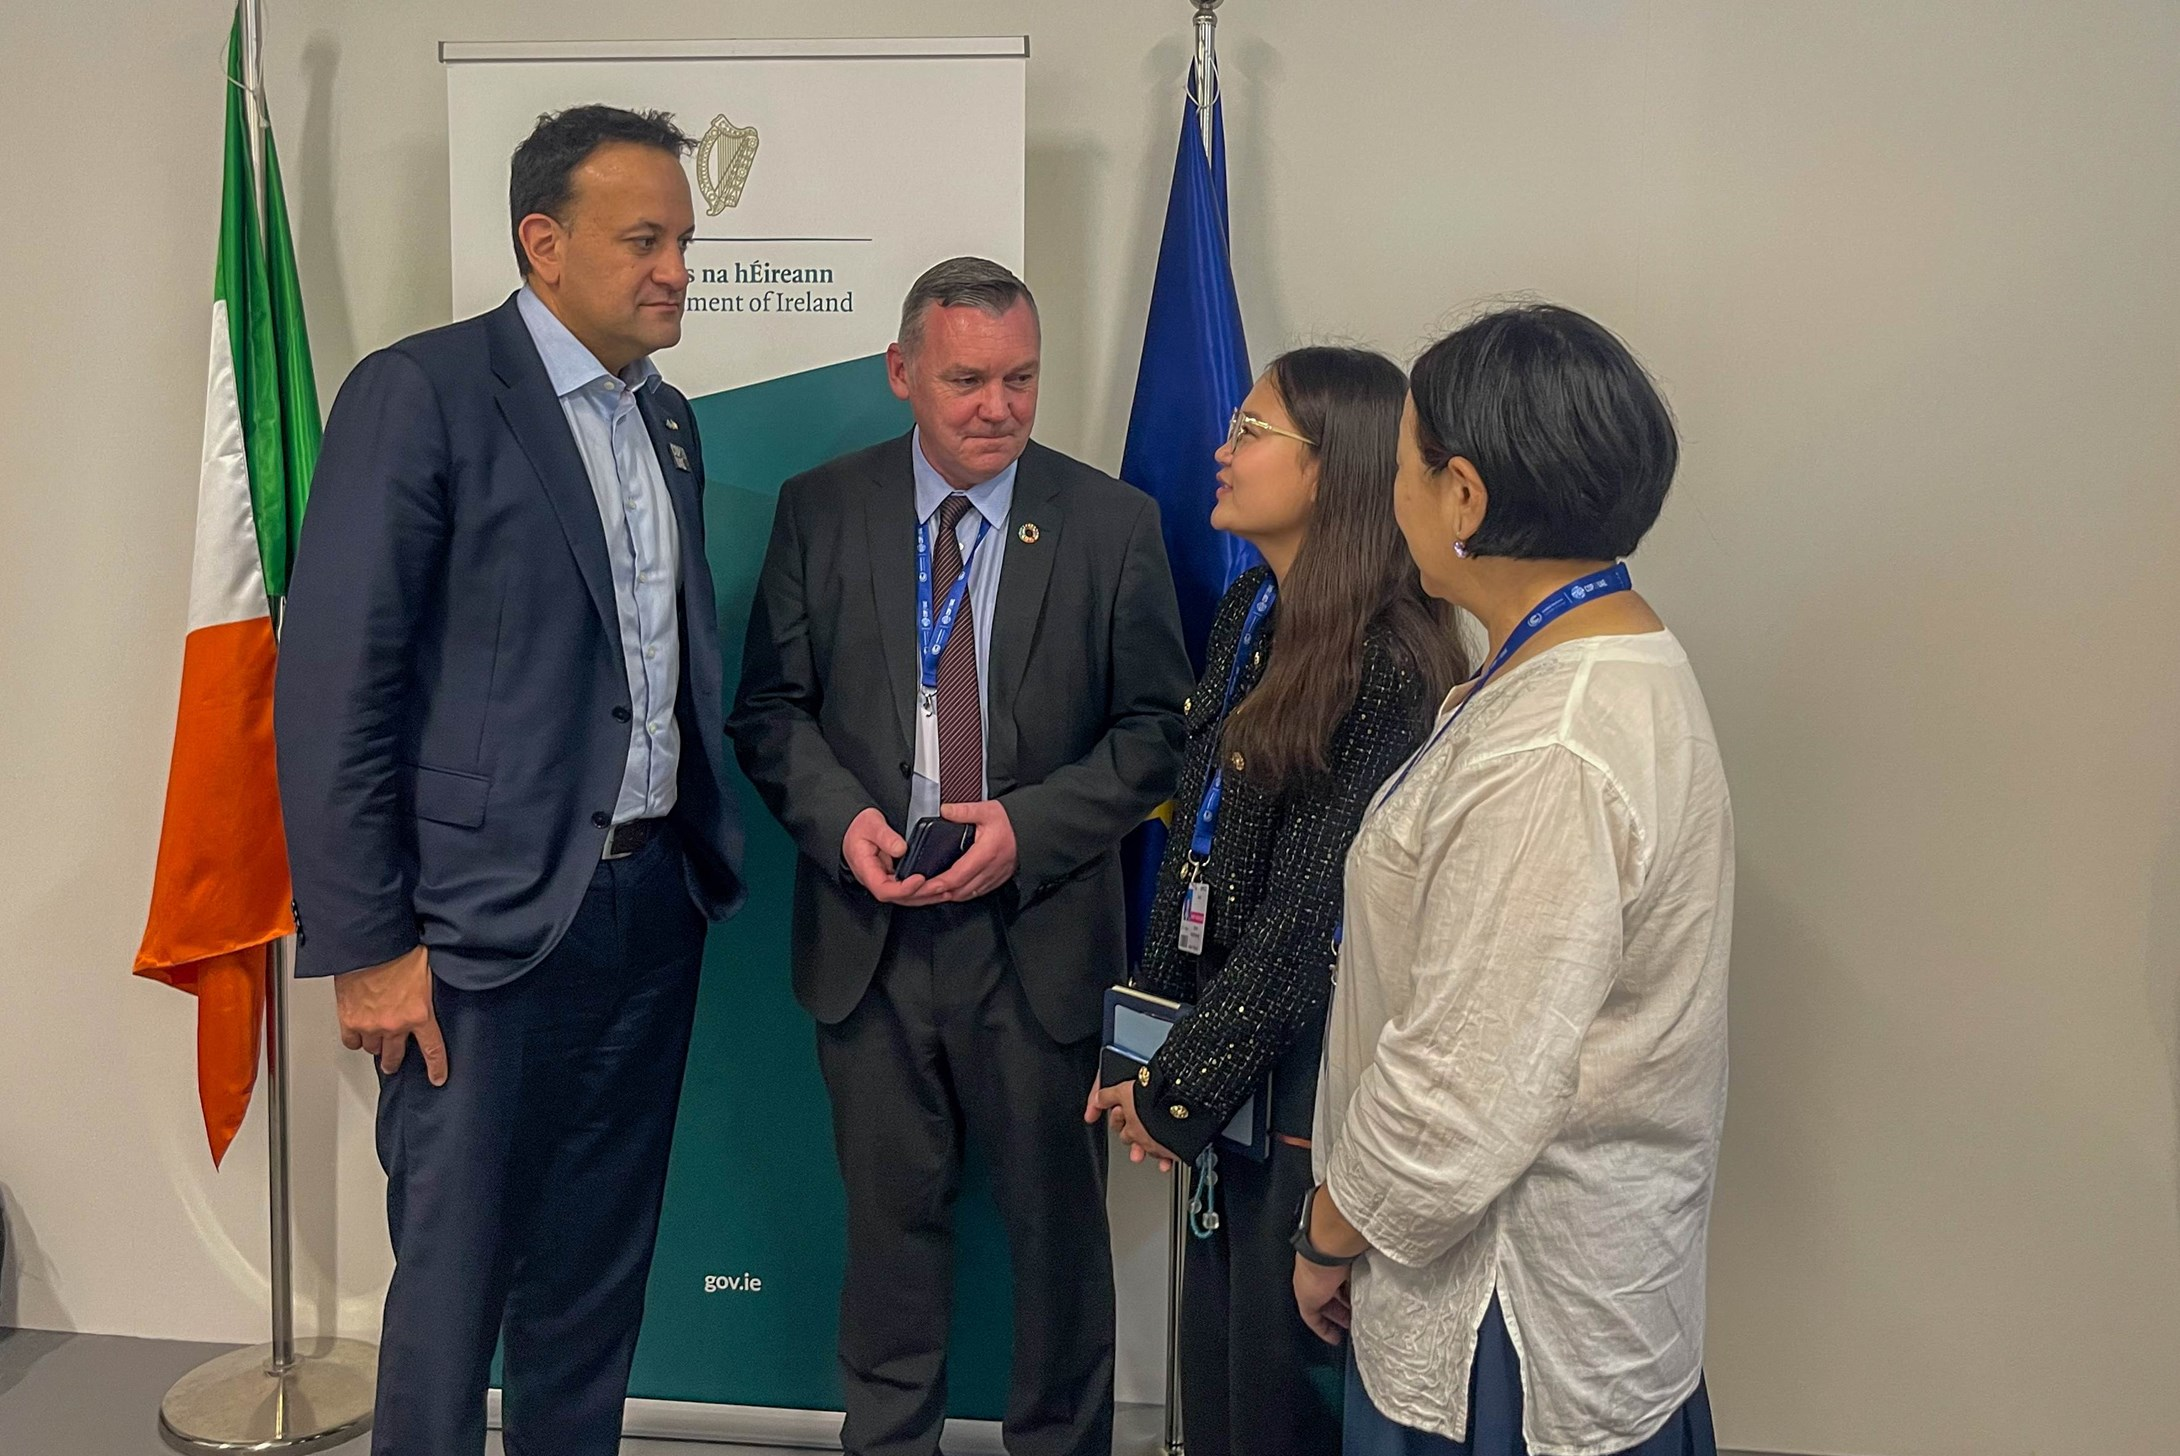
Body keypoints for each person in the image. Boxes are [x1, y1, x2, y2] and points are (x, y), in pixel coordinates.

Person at [274, 107, 745, 1455]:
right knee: (454, 1287)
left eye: (684, 243)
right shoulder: (419, 393)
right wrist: (370, 950)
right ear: (544, 244)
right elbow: (333, 691)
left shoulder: (671, 425)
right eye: (642, 239)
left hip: (648, 910)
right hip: (478, 938)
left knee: (594, 1283)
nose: (674, 270)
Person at [729, 257, 1192, 1456]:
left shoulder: (1109, 522)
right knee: (888, 1240)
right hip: (868, 939)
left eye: (1021, 378)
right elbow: (768, 711)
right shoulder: (818, 509)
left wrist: (1023, 831)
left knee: (1056, 1247)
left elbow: (1157, 735)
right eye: (967, 379)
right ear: (902, 374)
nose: (997, 406)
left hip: (1034, 941)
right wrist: (842, 823)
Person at [1293, 303, 1730, 1456]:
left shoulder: (1554, 744)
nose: (1389, 497)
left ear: (1464, 498)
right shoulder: (1568, 667)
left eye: (1399, 468)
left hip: (1510, 1315)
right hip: (1536, 1274)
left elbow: (1460, 1087)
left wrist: (1330, 1231)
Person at [1089, 347, 1465, 1456]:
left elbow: (1309, 922)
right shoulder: (1255, 604)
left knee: (1272, 1390)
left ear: (1331, 469)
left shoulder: (1388, 666)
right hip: (1221, 1059)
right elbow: (1193, 838)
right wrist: (1144, 1040)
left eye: (1251, 432)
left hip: (1300, 1081)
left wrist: (1181, 1081)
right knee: (1212, 1382)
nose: (1221, 449)